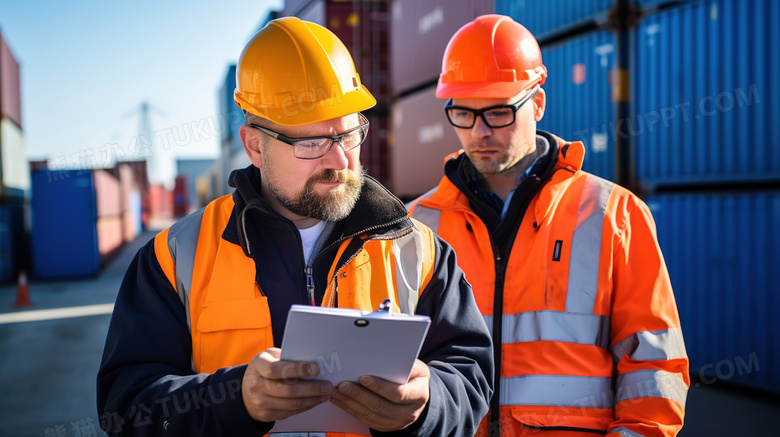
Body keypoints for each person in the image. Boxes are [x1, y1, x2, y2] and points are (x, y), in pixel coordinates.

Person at [97, 17, 493, 437]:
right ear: (255, 146)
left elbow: (470, 375)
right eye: (311, 143)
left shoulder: (418, 250)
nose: (340, 161)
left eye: (349, 135)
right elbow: (126, 408)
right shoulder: (175, 258)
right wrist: (236, 399)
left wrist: (427, 408)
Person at [407, 14, 689, 437]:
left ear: (537, 103)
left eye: (499, 111)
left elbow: (654, 365)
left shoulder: (613, 214)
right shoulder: (416, 226)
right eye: (463, 113)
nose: (479, 131)